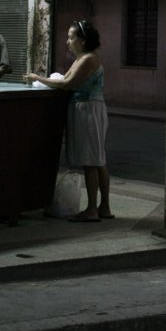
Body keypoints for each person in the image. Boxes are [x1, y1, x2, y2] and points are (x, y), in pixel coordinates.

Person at [26, 20, 113, 222]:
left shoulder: (88, 59)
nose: (67, 41)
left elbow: (66, 84)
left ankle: (92, 210)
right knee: (98, 159)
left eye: (71, 37)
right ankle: (104, 207)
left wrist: (37, 78)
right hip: (86, 108)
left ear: (81, 41)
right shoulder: (81, 58)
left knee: (91, 161)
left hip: (89, 110)